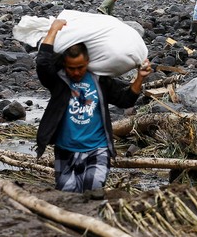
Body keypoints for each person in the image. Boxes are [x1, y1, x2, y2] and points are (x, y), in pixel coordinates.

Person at [36, 19, 152, 193]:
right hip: (65, 150)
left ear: (88, 62)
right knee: (67, 194)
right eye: (71, 68)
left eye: (80, 67)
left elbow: (125, 100)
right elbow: (43, 63)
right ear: (64, 65)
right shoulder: (58, 81)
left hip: (97, 149)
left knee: (94, 190)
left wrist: (140, 78)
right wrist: (53, 30)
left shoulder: (100, 80)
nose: (76, 72)